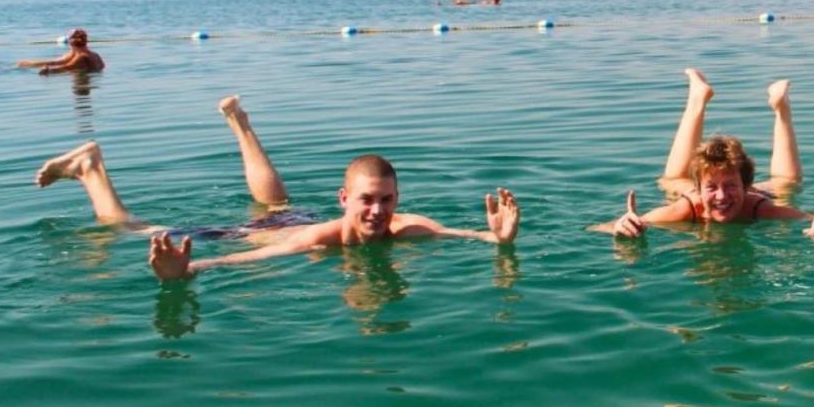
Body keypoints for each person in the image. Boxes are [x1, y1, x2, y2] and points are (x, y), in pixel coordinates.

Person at [32, 95, 519, 281]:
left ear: (398, 199)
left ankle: (240, 123)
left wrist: (495, 238)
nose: (377, 211)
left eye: (386, 200)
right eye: (366, 200)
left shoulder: (408, 227)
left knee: (276, 202)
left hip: (292, 218)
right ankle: (91, 168)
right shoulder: (317, 241)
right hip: (271, 233)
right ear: (344, 200)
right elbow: (247, 259)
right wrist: (186, 270)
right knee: (130, 228)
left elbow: (461, 235)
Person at [593, 68, 814, 237]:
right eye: (711, 188)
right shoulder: (686, 208)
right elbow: (600, 227)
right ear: (699, 189)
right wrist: (622, 225)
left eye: (731, 186)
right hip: (696, 192)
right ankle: (698, 100)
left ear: (746, 187)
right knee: (673, 182)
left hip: (752, 194)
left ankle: (781, 109)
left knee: (785, 184)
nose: (722, 196)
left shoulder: (758, 206)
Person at [17, 28, 105, 75]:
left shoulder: (81, 56)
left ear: (70, 42)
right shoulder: (95, 55)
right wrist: (28, 63)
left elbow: (66, 67)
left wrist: (48, 71)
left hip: (85, 80)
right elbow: (57, 62)